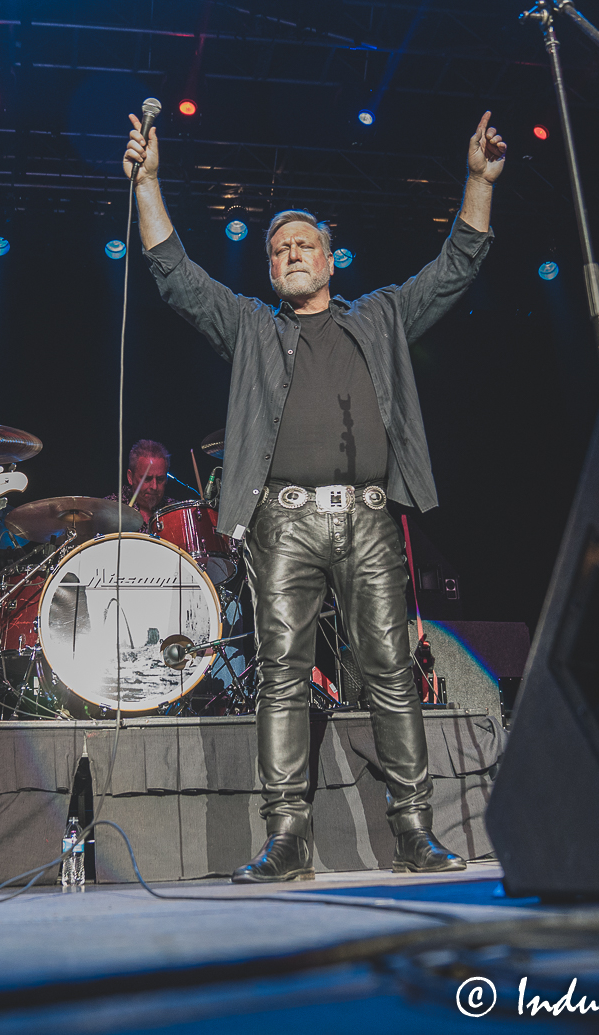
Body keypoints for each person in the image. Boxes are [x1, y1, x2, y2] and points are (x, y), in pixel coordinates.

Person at [122, 111, 507, 882]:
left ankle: (414, 831)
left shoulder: (384, 315)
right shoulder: (251, 327)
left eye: (304, 246)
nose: (291, 255)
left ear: (330, 260)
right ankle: (287, 837)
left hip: (366, 520)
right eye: (279, 250)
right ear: (270, 269)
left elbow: (456, 263)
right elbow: (173, 271)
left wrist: (477, 182)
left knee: (392, 669)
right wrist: (149, 184)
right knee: (281, 674)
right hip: (283, 524)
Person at [113, 438, 171, 528]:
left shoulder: (174, 511)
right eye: (147, 479)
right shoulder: (111, 508)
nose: (154, 487)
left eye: (160, 479)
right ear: (130, 477)